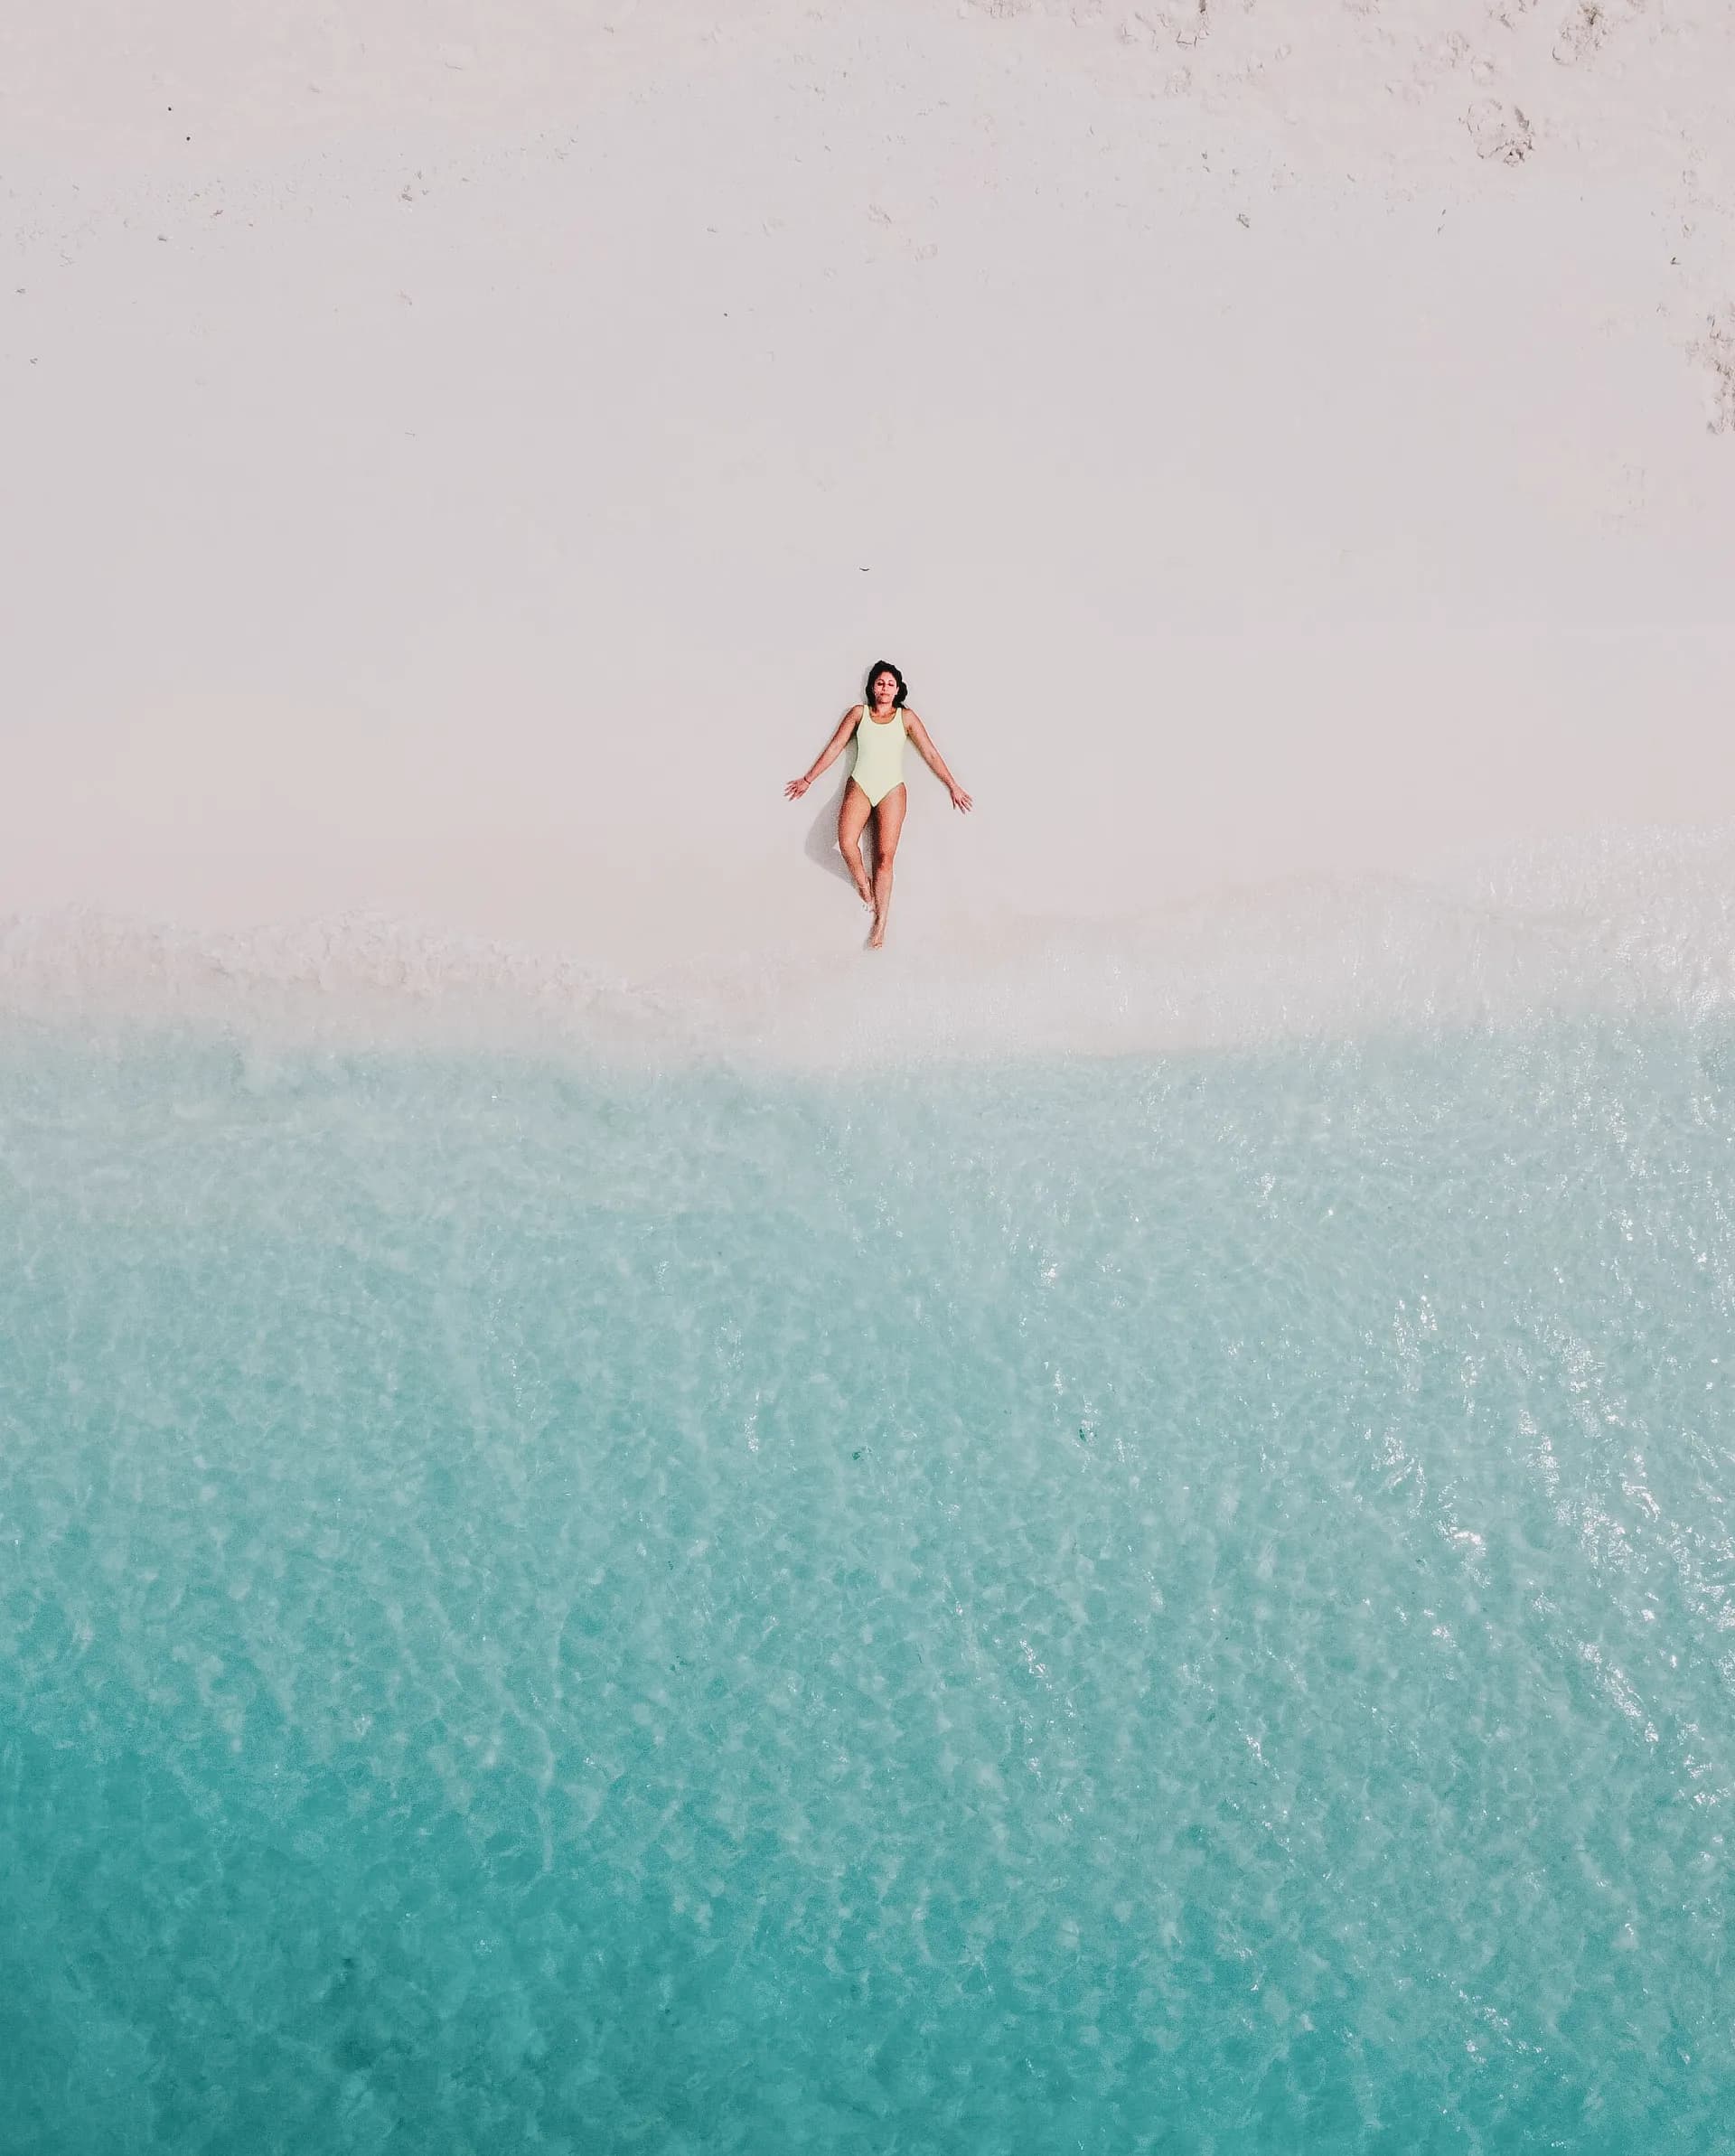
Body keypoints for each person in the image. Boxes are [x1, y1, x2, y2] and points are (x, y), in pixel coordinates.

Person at [784, 662, 972, 948]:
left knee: (885, 858)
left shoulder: (906, 718)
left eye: (890, 684)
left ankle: (880, 926)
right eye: (880, 683)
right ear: (872, 686)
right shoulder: (859, 714)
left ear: (898, 689)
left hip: (892, 790)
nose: (885, 689)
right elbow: (835, 747)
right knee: (847, 843)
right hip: (860, 784)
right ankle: (864, 886)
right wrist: (808, 779)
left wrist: (953, 785)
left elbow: (930, 753)